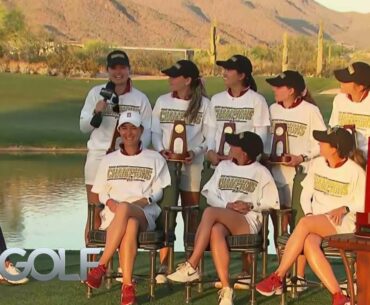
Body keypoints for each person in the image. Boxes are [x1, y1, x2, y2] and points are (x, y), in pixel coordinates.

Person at [167, 131, 280, 305]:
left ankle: (192, 265)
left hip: (247, 220)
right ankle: (227, 290)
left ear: (244, 152)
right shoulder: (223, 167)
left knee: (210, 213)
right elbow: (210, 194)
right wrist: (227, 206)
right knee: (215, 230)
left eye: (234, 145)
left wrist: (250, 206)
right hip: (224, 217)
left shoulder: (261, 172)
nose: (230, 147)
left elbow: (272, 202)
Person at [256, 127, 365, 305]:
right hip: (318, 221)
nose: (319, 144)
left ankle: (278, 276)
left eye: (323, 141)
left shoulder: (355, 171)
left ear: (334, 148)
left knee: (306, 224)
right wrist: (310, 215)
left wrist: (345, 207)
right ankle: (338, 295)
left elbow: (364, 203)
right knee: (308, 242)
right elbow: (305, 194)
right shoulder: (318, 164)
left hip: (343, 224)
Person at [85, 111, 170, 305]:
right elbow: (101, 192)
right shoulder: (108, 160)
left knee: (127, 211)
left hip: (144, 213)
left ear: (141, 130)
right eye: (124, 128)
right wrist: (110, 202)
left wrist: (143, 201)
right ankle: (127, 288)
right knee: (129, 224)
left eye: (133, 128)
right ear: (119, 131)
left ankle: (101, 266)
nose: (129, 132)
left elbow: (159, 192)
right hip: (115, 216)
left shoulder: (155, 158)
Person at [151, 60, 215, 282]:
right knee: (167, 212)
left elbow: (210, 137)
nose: (170, 79)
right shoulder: (162, 101)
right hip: (167, 165)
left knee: (192, 215)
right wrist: (161, 150)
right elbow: (154, 131)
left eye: (174, 76)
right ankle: (164, 265)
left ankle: (191, 264)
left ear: (187, 80)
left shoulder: (205, 105)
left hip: (193, 166)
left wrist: (195, 151)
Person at [79, 50, 152, 243]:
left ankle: (117, 262)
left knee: (119, 211)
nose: (118, 72)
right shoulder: (96, 93)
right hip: (98, 157)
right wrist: (97, 110)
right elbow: (84, 126)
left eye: (122, 67)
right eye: (114, 68)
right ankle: (91, 264)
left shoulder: (140, 99)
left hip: (126, 160)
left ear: (129, 69)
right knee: (94, 211)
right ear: (107, 70)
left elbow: (148, 133)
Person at [265, 70, 326, 287]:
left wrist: (302, 157)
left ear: (291, 90)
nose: (274, 89)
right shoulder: (271, 109)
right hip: (277, 175)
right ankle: (281, 272)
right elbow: (266, 140)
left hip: (301, 175)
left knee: (299, 225)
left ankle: (298, 276)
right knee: (279, 226)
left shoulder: (310, 110)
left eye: (278, 86)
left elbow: (322, 142)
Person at [206, 54, 270, 166]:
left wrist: (246, 157)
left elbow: (261, 136)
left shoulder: (257, 100)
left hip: (244, 166)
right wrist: (210, 151)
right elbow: (212, 130)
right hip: (218, 165)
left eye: (229, 70)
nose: (224, 73)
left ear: (241, 76)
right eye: (225, 69)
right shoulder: (216, 99)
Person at [329, 61, 370, 166]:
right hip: (343, 160)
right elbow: (334, 128)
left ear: (361, 87)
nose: (341, 82)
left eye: (346, 80)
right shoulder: (339, 99)